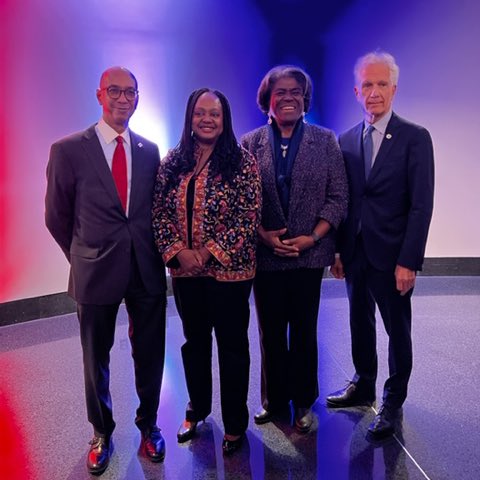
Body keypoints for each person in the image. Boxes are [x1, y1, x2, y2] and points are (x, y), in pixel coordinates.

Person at [45, 67, 167, 474]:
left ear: (138, 98)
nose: (122, 98)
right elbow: (56, 216)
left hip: (145, 269)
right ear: (99, 94)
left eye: (130, 92)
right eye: (114, 90)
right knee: (95, 356)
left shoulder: (150, 150)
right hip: (94, 270)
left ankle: (149, 426)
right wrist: (80, 254)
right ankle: (101, 431)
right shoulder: (68, 150)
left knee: (150, 353)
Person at [326, 51, 435, 440]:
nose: (374, 92)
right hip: (356, 251)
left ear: (394, 89)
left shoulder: (415, 138)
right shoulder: (346, 140)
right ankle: (364, 382)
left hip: (393, 257)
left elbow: (421, 205)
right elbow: (345, 199)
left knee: (397, 330)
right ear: (357, 91)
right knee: (359, 321)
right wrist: (338, 251)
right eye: (367, 85)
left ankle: (392, 400)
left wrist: (410, 261)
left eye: (381, 84)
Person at [152, 88, 261, 455]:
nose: (207, 119)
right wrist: (178, 253)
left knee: (232, 348)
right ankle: (196, 410)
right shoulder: (173, 161)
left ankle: (234, 424)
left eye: (214, 113)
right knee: (194, 344)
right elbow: (159, 212)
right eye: (200, 113)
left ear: (225, 118)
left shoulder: (242, 162)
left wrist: (208, 252)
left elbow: (248, 216)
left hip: (230, 276)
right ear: (190, 117)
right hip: (186, 276)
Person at [241, 65, 348, 433]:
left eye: (295, 92)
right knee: (270, 333)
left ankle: (304, 401)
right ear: (266, 100)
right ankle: (274, 401)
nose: (288, 98)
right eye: (280, 92)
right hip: (266, 254)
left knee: (304, 330)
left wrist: (314, 238)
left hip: (309, 255)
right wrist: (263, 235)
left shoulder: (326, 139)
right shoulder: (248, 143)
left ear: (305, 99)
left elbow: (338, 197)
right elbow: (240, 200)